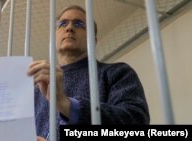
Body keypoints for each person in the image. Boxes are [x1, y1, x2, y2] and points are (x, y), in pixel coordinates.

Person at [27, 5, 150, 141]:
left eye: (79, 24)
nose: (69, 28)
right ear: (53, 39)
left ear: (93, 40)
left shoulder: (116, 73)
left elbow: (137, 119)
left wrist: (67, 105)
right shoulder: (36, 90)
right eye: (62, 24)